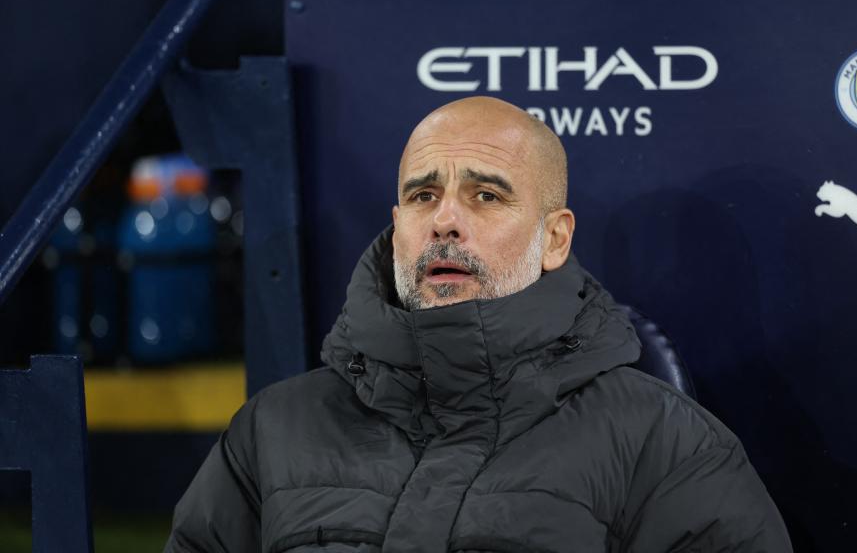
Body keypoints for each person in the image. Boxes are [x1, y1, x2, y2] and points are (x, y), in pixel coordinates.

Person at [164, 96, 792, 552]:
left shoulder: (671, 447)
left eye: (486, 196)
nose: (444, 221)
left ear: (555, 238)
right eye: (422, 195)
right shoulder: (270, 431)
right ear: (398, 222)